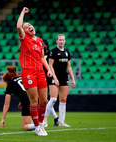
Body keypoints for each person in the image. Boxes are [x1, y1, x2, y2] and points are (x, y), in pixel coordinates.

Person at [17, 7, 52, 136]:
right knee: (34, 101)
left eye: (30, 25)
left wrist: (49, 70)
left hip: (40, 72)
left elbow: (42, 57)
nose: (29, 27)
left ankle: (41, 124)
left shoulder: (40, 41)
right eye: (26, 27)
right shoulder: (24, 39)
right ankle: (37, 127)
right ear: (25, 31)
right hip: (29, 72)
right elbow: (18, 26)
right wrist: (23, 13)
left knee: (44, 101)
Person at [48, 34, 76, 127]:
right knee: (53, 99)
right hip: (55, 77)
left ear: (65, 41)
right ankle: (44, 120)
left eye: (63, 40)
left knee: (63, 99)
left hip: (64, 78)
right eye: (60, 40)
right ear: (56, 41)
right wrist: (55, 78)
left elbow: (69, 66)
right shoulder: (53, 51)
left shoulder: (67, 52)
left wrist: (73, 79)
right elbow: (50, 65)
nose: (61, 41)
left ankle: (61, 121)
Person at [0, 66, 35, 131]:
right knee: (29, 124)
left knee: (24, 127)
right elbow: (26, 90)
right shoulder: (22, 77)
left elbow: (6, 104)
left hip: (26, 102)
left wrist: (3, 119)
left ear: (7, 80)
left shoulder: (10, 84)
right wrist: (22, 101)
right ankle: (38, 123)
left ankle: (39, 124)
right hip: (34, 97)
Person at [42, 40, 60, 127]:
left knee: (51, 99)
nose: (42, 46)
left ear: (46, 45)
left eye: (43, 45)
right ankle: (56, 118)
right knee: (45, 100)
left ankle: (44, 119)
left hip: (50, 77)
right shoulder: (39, 54)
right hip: (42, 78)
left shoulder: (50, 54)